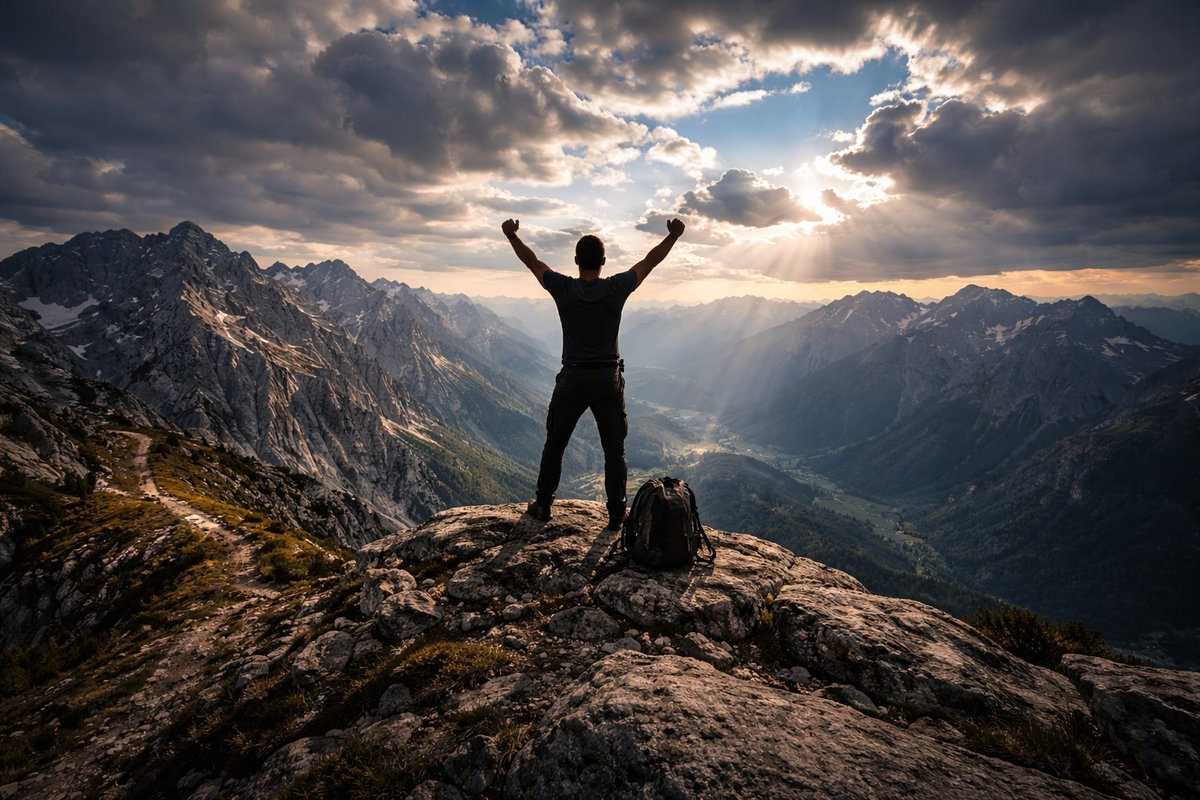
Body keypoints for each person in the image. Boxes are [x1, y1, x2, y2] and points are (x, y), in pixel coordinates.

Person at [502, 216, 686, 530]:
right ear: (603, 262)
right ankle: (617, 515)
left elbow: (532, 261)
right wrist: (673, 236)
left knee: (555, 444)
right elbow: (650, 261)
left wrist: (511, 236)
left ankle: (543, 505)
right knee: (614, 449)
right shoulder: (617, 288)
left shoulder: (562, 287)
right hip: (607, 380)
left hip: (572, 378)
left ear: (576, 261)